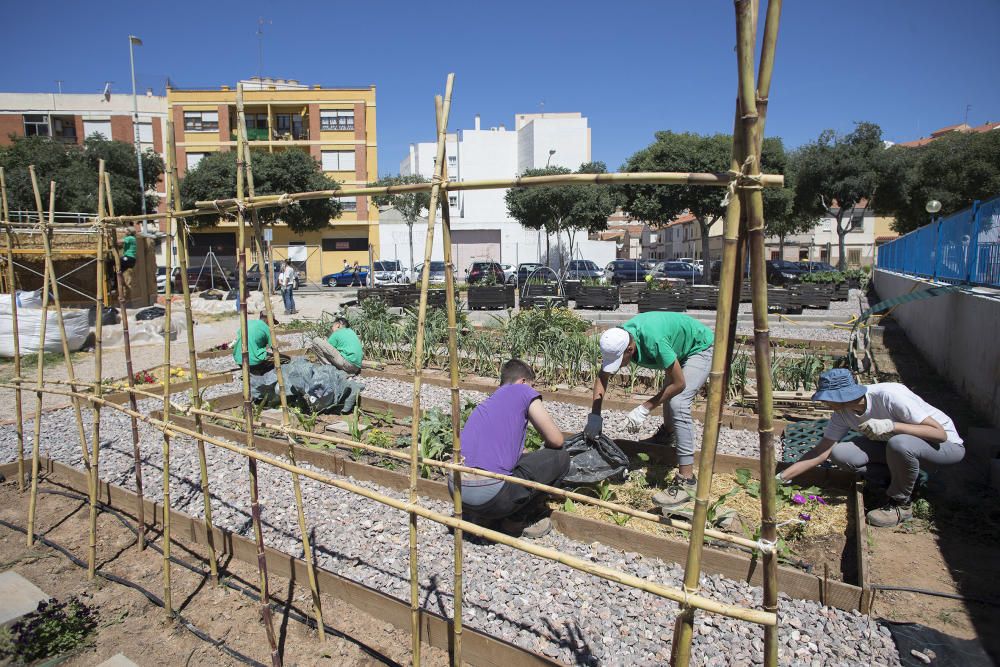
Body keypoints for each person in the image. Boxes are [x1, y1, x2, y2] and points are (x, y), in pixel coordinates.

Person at [779, 369, 965, 527]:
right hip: (898, 449)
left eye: (827, 398)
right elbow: (822, 451)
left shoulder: (889, 396)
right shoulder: (842, 413)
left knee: (899, 443)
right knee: (841, 453)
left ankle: (901, 504)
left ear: (841, 396)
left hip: (944, 447)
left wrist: (892, 426)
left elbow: (940, 434)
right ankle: (900, 480)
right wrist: (782, 477)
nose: (824, 403)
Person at [586, 312, 714, 510]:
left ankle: (687, 481)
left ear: (630, 349)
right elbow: (602, 377)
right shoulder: (616, 339)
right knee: (670, 398)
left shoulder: (655, 342)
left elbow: (679, 384)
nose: (618, 365)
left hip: (699, 347)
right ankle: (667, 436)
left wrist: (645, 407)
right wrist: (594, 416)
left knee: (678, 403)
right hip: (677, 347)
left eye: (620, 360)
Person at [452, 359, 568, 538]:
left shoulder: (489, 402)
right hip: (491, 497)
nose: (533, 389)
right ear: (522, 381)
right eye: (532, 385)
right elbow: (556, 440)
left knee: (520, 462)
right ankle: (517, 518)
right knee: (560, 457)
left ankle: (480, 517)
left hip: (458, 492)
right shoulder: (522, 390)